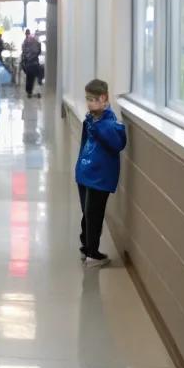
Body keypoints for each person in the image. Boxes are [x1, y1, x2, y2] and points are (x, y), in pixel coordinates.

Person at [76, 78, 127, 267]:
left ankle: (93, 253)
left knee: (94, 214)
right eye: (87, 99)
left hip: (100, 178)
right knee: (87, 212)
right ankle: (86, 246)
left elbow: (117, 144)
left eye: (93, 99)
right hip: (85, 173)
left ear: (104, 99)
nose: (89, 103)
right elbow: (84, 145)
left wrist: (97, 127)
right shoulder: (89, 120)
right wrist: (79, 167)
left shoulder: (110, 124)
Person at [21, 29, 43, 98]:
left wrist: (24, 62)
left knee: (29, 78)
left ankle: (29, 93)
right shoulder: (37, 42)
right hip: (35, 63)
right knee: (37, 78)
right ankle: (37, 92)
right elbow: (39, 52)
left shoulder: (25, 42)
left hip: (29, 64)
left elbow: (24, 53)